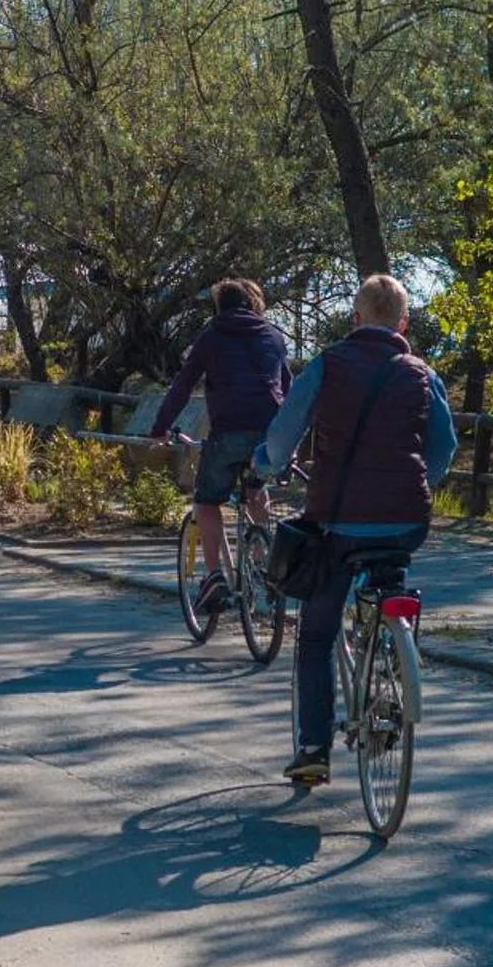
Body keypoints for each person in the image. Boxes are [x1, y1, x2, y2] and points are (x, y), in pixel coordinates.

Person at [252, 273, 457, 788]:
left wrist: (266, 463)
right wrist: (417, 486)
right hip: (407, 522)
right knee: (387, 575)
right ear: (404, 323)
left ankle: (314, 748)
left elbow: (282, 439)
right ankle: (386, 644)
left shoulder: (328, 365)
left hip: (337, 520)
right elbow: (443, 449)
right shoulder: (422, 375)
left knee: (317, 633)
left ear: (355, 317)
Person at [148, 279, 292, 616]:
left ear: (219, 306)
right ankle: (261, 560)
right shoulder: (273, 335)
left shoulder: (211, 336)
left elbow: (183, 385)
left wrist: (160, 428)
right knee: (256, 487)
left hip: (229, 431)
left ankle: (214, 577)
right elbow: (288, 387)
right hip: (270, 434)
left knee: (206, 500)